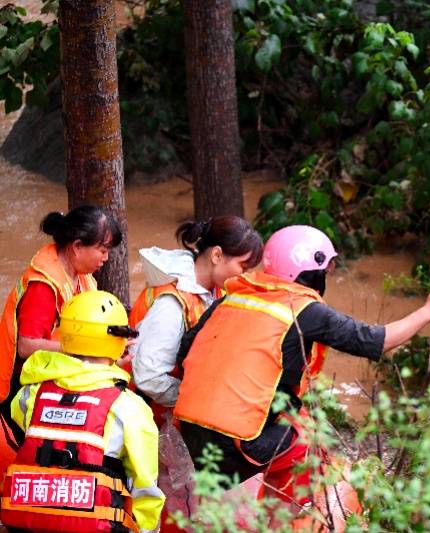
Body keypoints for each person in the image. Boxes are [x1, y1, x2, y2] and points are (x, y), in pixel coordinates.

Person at [173, 225, 430, 506]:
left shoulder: (233, 297)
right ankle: (285, 523)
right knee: (307, 441)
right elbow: (375, 340)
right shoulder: (303, 309)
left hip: (189, 432)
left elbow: (186, 353)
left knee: (292, 421)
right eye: (326, 271)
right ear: (311, 271)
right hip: (239, 445)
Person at [0, 290, 164, 533]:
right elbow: (145, 485)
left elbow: (24, 423)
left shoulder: (32, 392)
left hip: (30, 522)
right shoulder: (130, 408)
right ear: (118, 342)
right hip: (96, 524)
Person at [0, 205, 122, 448]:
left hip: (51, 373)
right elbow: (26, 346)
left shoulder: (82, 275)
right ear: (77, 246)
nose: (106, 258)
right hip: (18, 387)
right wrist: (83, 350)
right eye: (102, 250)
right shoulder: (44, 286)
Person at [130, 216, 263, 421]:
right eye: (243, 268)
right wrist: (204, 400)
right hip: (145, 418)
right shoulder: (171, 303)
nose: (245, 276)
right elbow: (149, 377)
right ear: (217, 255)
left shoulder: (214, 291)